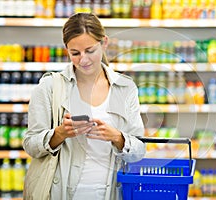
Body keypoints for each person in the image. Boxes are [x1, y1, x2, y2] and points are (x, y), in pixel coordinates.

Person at [23, 12, 146, 200]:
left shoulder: (125, 87)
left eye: (90, 51)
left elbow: (139, 150)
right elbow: (31, 144)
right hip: (60, 193)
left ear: (104, 43)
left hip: (110, 193)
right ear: (67, 50)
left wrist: (117, 137)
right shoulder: (50, 86)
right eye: (75, 53)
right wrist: (60, 134)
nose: (84, 60)